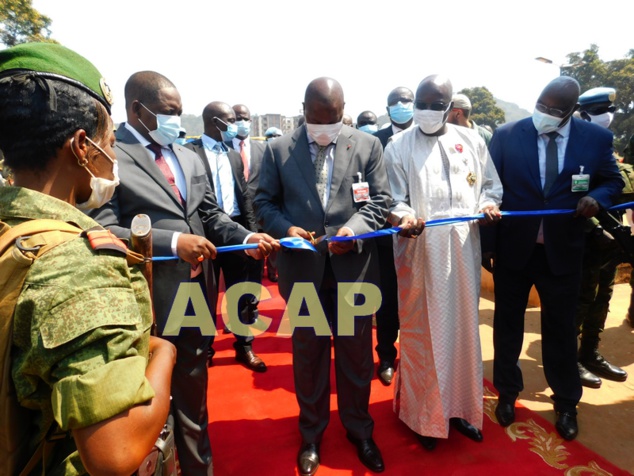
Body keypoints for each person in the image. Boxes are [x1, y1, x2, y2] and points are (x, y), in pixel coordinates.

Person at [89, 71, 278, 475]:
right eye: (167, 112)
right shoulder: (111, 157)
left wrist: (245, 236)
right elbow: (106, 229)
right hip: (147, 299)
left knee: (193, 391)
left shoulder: (188, 156)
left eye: (179, 112)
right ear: (136, 110)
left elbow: (208, 214)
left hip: (195, 295)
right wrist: (174, 244)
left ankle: (198, 467)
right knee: (144, 401)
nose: (176, 119)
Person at [0, 42, 176, 475]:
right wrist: (165, 353)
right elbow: (114, 454)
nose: (112, 158)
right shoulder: (80, 264)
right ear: (82, 147)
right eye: (108, 143)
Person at [255, 77, 391, 475]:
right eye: (318, 118)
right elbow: (264, 201)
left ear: (344, 110)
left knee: (355, 356)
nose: (326, 126)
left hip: (353, 271)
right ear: (304, 111)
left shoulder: (367, 146)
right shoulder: (279, 149)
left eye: (334, 117)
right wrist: (285, 229)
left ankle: (359, 430)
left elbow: (379, 201)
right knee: (309, 357)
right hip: (303, 272)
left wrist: (354, 230)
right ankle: (311, 435)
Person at [484, 76, 623, 441]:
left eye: (553, 111)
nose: (543, 114)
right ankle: (508, 394)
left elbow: (612, 181)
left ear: (570, 113)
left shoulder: (595, 139)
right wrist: (488, 246)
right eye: (541, 106)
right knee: (508, 328)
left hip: (563, 252)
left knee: (561, 331)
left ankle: (565, 402)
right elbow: (490, 190)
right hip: (515, 251)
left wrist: (598, 198)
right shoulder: (507, 134)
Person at [385, 74, 502, 450]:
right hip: (421, 253)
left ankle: (457, 410)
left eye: (437, 105)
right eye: (422, 102)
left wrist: (487, 205)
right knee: (426, 336)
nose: (427, 110)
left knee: (463, 333)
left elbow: (490, 187)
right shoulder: (398, 146)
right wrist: (403, 216)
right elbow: (392, 198)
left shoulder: (470, 141)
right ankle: (423, 418)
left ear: (450, 107)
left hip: (464, 250)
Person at [185, 101, 267, 371]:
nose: (236, 125)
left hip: (236, 231)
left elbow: (244, 196)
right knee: (204, 294)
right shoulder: (189, 153)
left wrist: (251, 233)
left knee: (240, 291)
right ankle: (205, 348)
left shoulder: (232, 155)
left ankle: (244, 345)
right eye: (230, 120)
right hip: (203, 232)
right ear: (214, 122)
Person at [575, 87, 628, 388]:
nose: (607, 117)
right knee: (581, 299)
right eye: (598, 112)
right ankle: (569, 360)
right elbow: (570, 194)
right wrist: (595, 226)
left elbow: (614, 184)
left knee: (603, 296)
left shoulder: (605, 144)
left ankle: (590, 353)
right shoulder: (574, 148)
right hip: (586, 237)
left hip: (611, 235)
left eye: (608, 111)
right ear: (582, 114)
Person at [370, 86, 415, 386]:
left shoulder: (434, 137)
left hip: (426, 233)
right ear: (387, 109)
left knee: (419, 299)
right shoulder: (376, 141)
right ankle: (386, 354)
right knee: (388, 299)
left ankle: (416, 355)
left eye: (406, 101)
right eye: (394, 102)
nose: (401, 105)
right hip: (388, 236)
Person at [232, 103, 278, 283]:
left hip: (259, 216)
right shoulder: (221, 149)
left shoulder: (264, 149)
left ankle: (252, 305)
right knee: (236, 270)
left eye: (245, 119)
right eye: (237, 119)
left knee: (256, 268)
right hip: (234, 218)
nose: (242, 122)